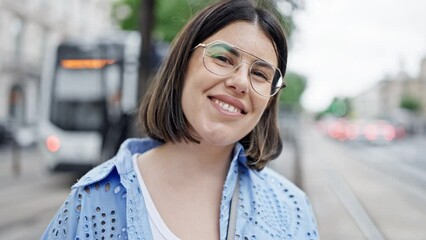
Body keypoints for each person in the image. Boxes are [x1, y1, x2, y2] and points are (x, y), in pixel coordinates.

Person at [42, 0, 319, 239]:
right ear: (182, 64)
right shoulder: (92, 200)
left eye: (260, 74)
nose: (240, 82)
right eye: (222, 58)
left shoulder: (292, 209)